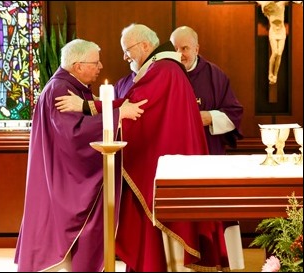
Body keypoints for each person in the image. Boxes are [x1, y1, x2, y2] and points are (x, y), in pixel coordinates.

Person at [56, 24, 236, 272]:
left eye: (127, 50)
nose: (125, 57)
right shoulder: (164, 69)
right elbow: (135, 105)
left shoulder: (162, 69)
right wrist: (101, 106)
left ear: (144, 46)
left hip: (165, 164)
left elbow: (137, 106)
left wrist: (87, 107)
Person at [14, 38, 147, 272]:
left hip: (61, 172)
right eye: (95, 63)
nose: (100, 67)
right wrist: (118, 115)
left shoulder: (72, 87)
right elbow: (74, 135)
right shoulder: (59, 89)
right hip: (63, 177)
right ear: (77, 66)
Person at [170, 26, 244, 156]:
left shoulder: (215, 76)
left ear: (196, 49)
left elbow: (234, 114)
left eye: (184, 48)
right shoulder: (164, 75)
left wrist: (210, 117)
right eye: (174, 49)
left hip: (208, 152)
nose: (178, 54)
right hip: (174, 152)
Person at [256, 1, 289, 84]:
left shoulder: (281, 4)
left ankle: (275, 75)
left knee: (279, 54)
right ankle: (270, 73)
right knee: (275, 52)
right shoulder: (267, 5)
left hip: (281, 32)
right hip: (273, 32)